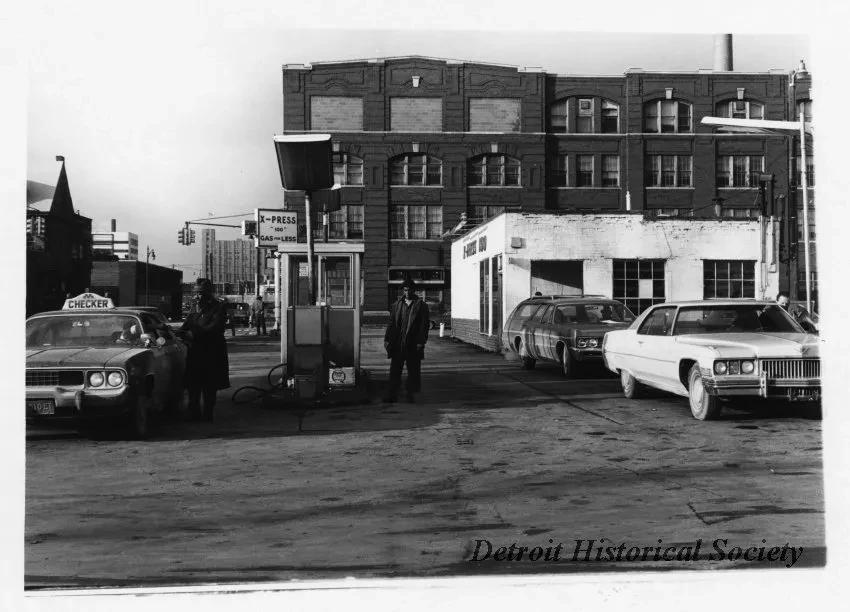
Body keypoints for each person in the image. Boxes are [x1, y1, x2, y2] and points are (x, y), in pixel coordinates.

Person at [179, 278, 231, 422]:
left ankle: (208, 414)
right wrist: (175, 333)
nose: (197, 297)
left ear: (208, 295)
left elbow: (214, 328)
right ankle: (194, 413)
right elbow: (186, 325)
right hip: (195, 353)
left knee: (209, 387)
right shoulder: (194, 309)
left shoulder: (218, 307)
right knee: (193, 387)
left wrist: (194, 334)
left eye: (200, 294)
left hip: (212, 354)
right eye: (195, 294)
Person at [384, 278, 430, 403]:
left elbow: (424, 326)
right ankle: (392, 395)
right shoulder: (397, 305)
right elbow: (391, 324)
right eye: (405, 290)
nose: (407, 292)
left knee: (413, 370)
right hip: (398, 343)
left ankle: (412, 395)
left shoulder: (421, 306)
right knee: (395, 370)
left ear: (414, 290)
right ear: (403, 291)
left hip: (413, 343)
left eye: (409, 290)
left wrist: (421, 342)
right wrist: (387, 339)